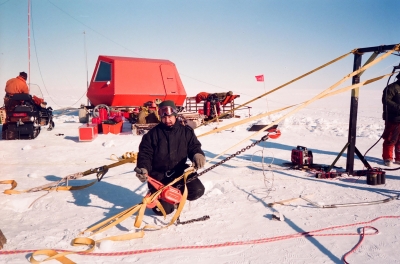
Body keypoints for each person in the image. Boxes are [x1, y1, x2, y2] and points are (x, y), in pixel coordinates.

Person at [135, 100, 206, 215]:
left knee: (197, 190)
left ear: (175, 115)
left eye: (170, 117)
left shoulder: (186, 132)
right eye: (164, 117)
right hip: (160, 177)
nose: (167, 120)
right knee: (164, 210)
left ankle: (177, 197)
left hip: (180, 173)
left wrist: (197, 154)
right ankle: (165, 199)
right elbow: (145, 154)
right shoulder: (151, 135)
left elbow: (194, 146)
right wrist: (143, 168)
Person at [382, 72, 400, 166]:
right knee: (390, 138)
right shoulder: (392, 87)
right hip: (393, 118)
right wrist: (398, 107)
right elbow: (385, 100)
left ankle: (399, 158)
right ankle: (388, 158)